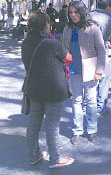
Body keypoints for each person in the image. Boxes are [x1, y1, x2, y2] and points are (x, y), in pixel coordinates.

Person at [21, 11, 74, 168]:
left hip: (34, 90)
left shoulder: (26, 43)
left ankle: (34, 156)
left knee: (34, 124)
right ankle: (55, 159)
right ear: (46, 25)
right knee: (52, 125)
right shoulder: (51, 43)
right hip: (53, 91)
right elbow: (68, 58)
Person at [62, 0, 106, 144]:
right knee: (76, 100)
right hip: (73, 69)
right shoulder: (68, 27)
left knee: (91, 101)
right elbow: (64, 47)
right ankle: (77, 130)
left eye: (76, 12)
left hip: (90, 69)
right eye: (71, 12)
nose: (73, 15)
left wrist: (99, 70)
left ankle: (92, 129)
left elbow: (101, 49)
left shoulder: (93, 27)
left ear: (82, 12)